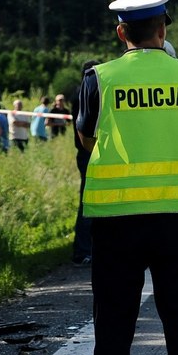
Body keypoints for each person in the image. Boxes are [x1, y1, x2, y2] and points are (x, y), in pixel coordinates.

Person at [76, 0, 178, 355]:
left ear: (121, 33)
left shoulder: (99, 77)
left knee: (113, 335)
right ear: (163, 27)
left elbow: (86, 137)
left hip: (117, 221)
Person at [71, 60, 101, 266]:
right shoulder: (86, 94)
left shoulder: (79, 93)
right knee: (88, 203)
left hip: (84, 153)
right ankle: (83, 250)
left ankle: (86, 248)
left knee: (89, 201)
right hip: (88, 152)